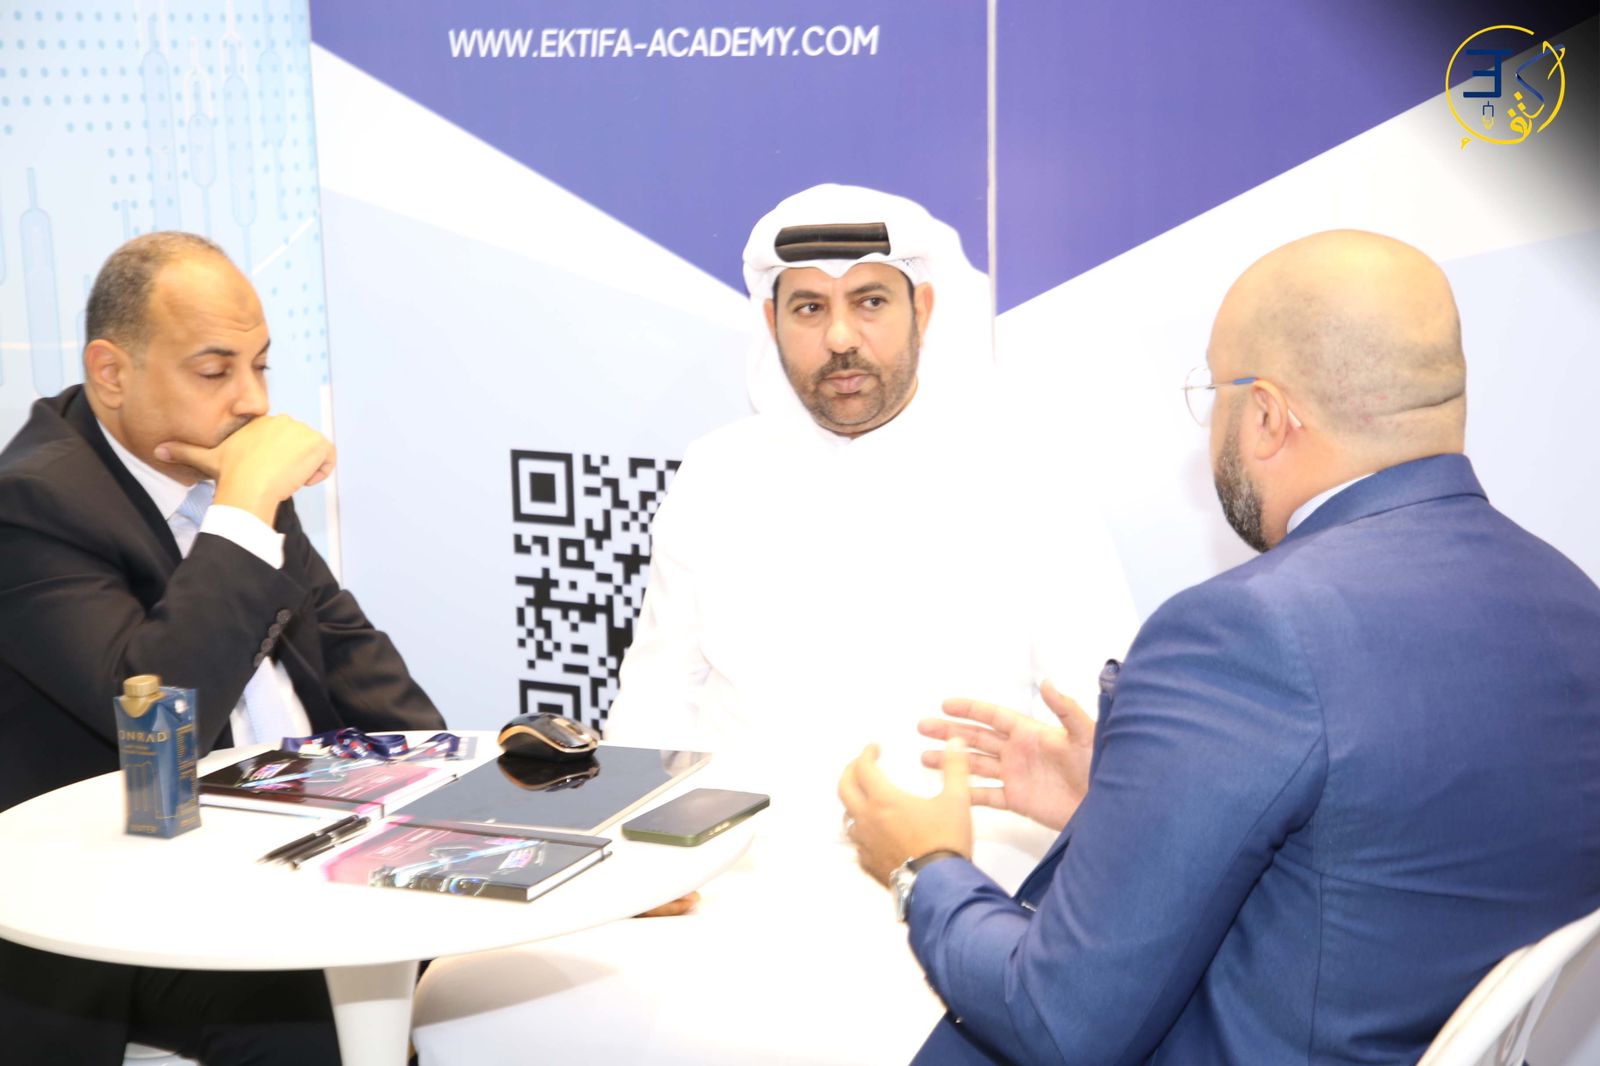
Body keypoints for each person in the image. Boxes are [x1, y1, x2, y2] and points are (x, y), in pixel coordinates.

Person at [407, 185, 1138, 1065]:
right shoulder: (716, 474)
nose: (840, 337)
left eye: (870, 301)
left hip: (950, 888)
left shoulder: (1028, 481)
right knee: (457, 997)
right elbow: (654, 701)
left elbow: (1098, 741)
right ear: (772, 320)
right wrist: (638, 868)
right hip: (725, 880)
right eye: (810, 308)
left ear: (924, 308)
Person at [839, 229, 1600, 1064]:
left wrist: (926, 867)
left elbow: (1056, 1024)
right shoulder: (1574, 606)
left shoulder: (1247, 629)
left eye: (1214, 392)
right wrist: (1125, 810)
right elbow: (1378, 868)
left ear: (1267, 415)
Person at [0, 232, 444, 1064]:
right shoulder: (29, 505)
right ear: (111, 372)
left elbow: (365, 676)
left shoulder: (233, 474)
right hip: (116, 908)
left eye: (261, 365)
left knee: (491, 960)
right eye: (215, 371)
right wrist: (243, 505)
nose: (251, 400)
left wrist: (484, 828)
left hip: (292, 857)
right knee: (310, 1015)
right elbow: (152, 720)